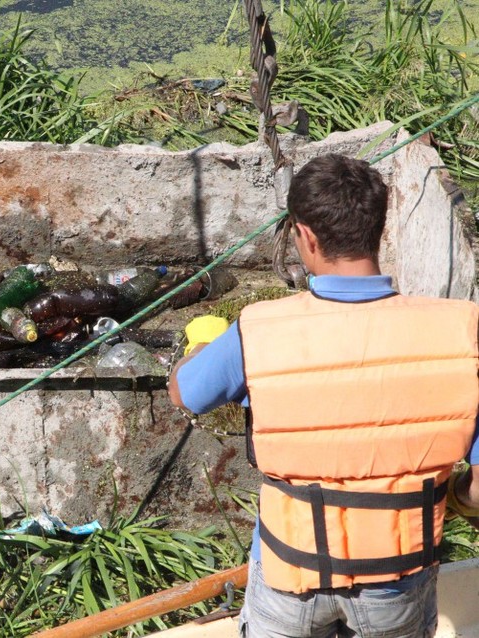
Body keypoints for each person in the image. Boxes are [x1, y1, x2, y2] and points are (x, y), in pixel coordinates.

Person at [168, 153, 479, 638]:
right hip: (397, 584)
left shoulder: (256, 330)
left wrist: (203, 344)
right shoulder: (462, 331)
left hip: (289, 582)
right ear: (379, 229)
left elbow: (184, 393)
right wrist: (457, 496)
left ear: (306, 236)